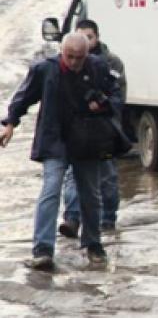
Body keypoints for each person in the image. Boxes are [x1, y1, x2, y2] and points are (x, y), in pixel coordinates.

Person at [1, 33, 124, 270]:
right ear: (62, 52)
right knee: (50, 189)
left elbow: (116, 94)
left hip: (88, 140)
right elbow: (24, 97)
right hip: (54, 139)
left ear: (87, 55)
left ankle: (93, 244)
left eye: (80, 58)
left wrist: (103, 104)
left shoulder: (98, 67)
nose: (75, 62)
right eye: (70, 57)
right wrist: (9, 124)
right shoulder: (45, 70)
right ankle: (43, 249)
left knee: (90, 194)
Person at [59, 20, 125, 238]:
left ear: (97, 38)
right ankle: (73, 219)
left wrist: (102, 104)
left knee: (106, 176)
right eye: (80, 36)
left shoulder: (110, 62)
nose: (84, 42)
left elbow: (116, 95)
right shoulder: (66, 65)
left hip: (104, 131)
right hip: (76, 133)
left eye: (89, 37)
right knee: (72, 177)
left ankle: (107, 219)